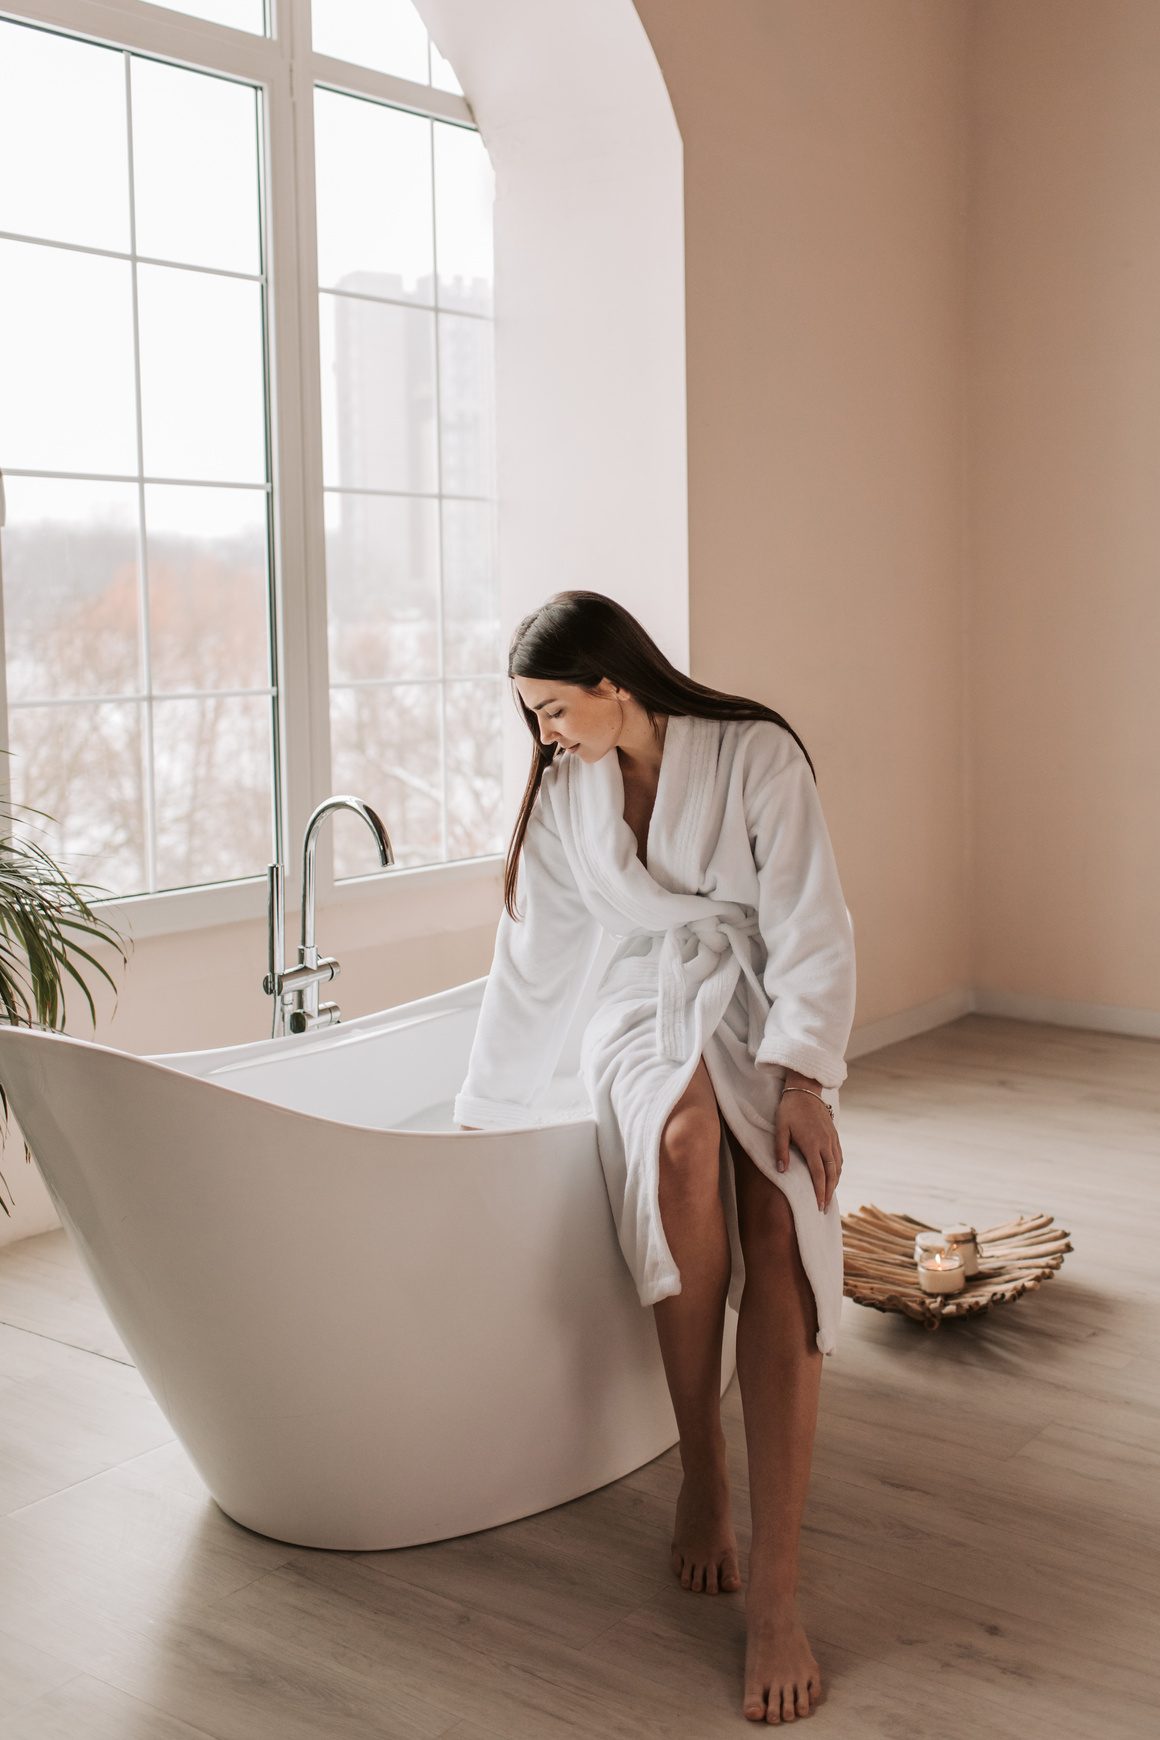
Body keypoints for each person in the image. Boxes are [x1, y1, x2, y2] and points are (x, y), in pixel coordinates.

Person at [454, 592, 855, 1725]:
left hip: (766, 998)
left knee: (779, 1222)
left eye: (549, 711)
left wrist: (805, 1077)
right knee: (678, 1150)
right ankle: (699, 1471)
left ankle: (775, 1594)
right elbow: (534, 959)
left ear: (609, 682)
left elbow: (811, 923)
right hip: (644, 996)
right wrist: (483, 1116)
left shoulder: (753, 752)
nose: (543, 736)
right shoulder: (567, 793)